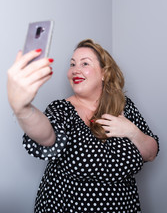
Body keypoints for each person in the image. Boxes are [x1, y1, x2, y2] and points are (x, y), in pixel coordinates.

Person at [7, 39, 159, 213]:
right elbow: (47, 136)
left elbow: (151, 154)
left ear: (104, 73)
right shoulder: (62, 109)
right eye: (72, 64)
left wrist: (131, 131)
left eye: (84, 63)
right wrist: (23, 108)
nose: (75, 70)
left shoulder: (124, 106)